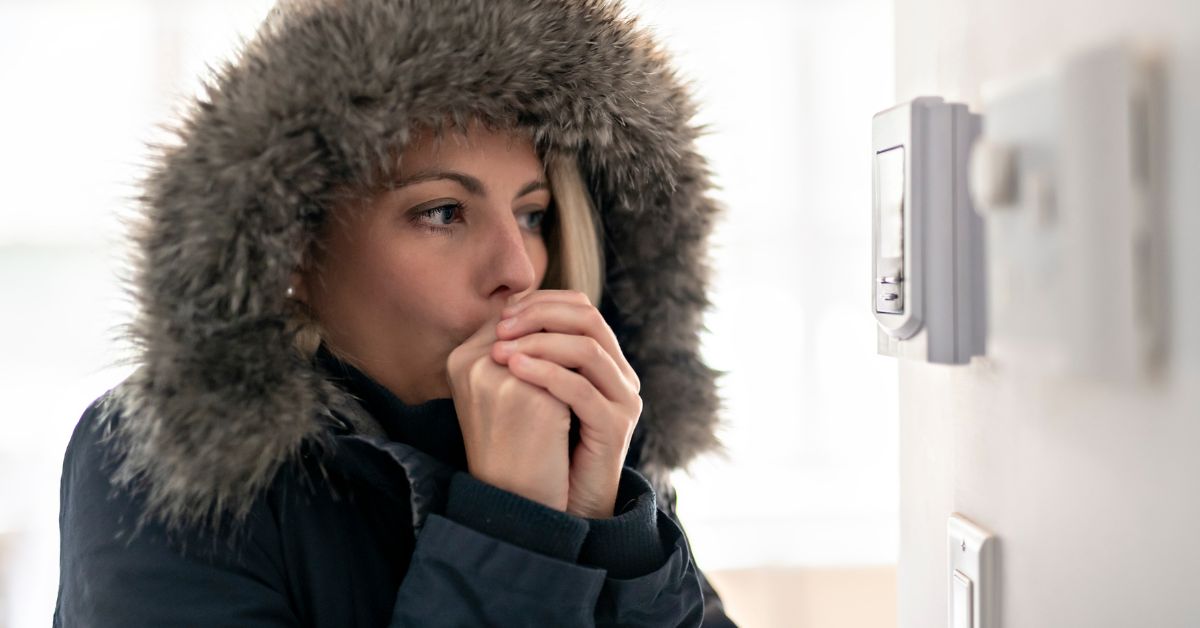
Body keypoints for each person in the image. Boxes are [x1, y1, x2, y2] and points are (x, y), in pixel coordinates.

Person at [54, 0, 734, 625]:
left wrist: (603, 528)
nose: (519, 270)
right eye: (442, 213)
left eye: (532, 215)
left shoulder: (586, 444)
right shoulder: (169, 466)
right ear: (294, 248)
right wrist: (514, 528)